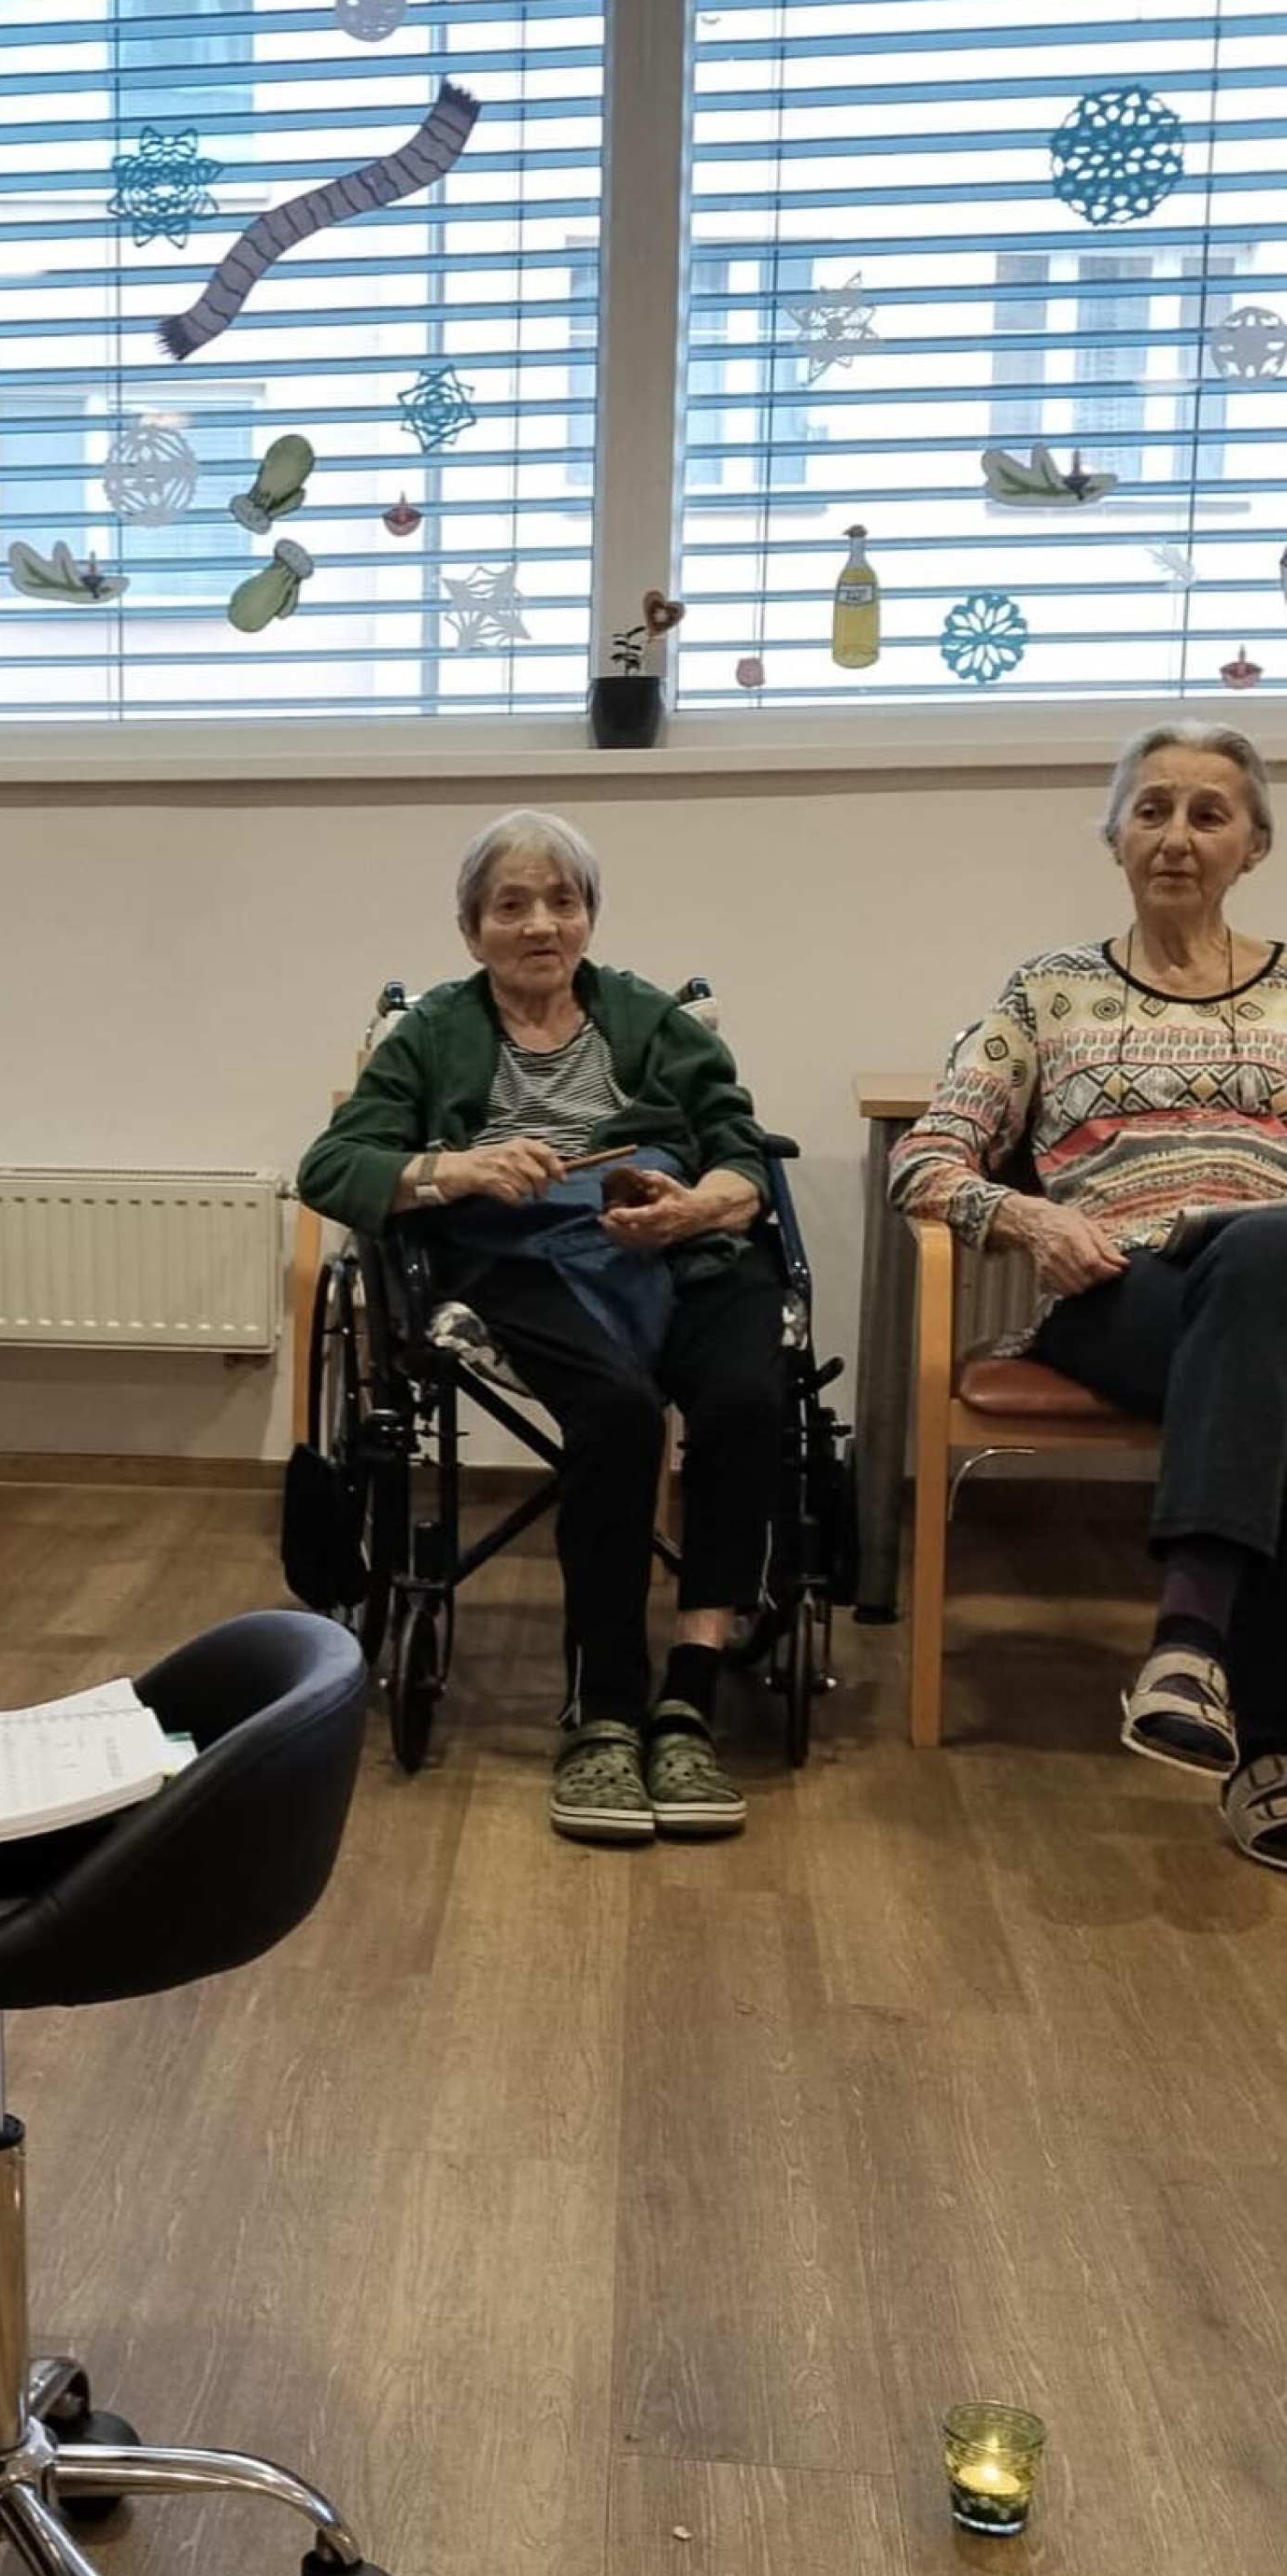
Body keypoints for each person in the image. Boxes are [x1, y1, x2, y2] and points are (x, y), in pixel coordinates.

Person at [299, 807, 784, 1845]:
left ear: (589, 917)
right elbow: (332, 1167)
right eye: (510, 905)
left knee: (748, 1397)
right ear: (471, 929)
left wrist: (697, 1205)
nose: (540, 925)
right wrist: (459, 1167)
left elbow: (743, 1152)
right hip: (518, 1257)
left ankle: (689, 1696)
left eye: (562, 902)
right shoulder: (434, 1034)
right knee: (617, 1414)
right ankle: (603, 1708)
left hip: (681, 1243)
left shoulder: (650, 1019)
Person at [890, 719, 1287, 1868]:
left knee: (1268, 1269)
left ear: (1254, 845)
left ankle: (1190, 1653)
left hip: (1271, 1282)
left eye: (1207, 814)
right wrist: (1029, 1218)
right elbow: (926, 1158)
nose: (1176, 837)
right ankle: (1263, 1735)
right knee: (1270, 1308)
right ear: (1113, 835)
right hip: (1119, 1286)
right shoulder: (1048, 993)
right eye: (1150, 810)